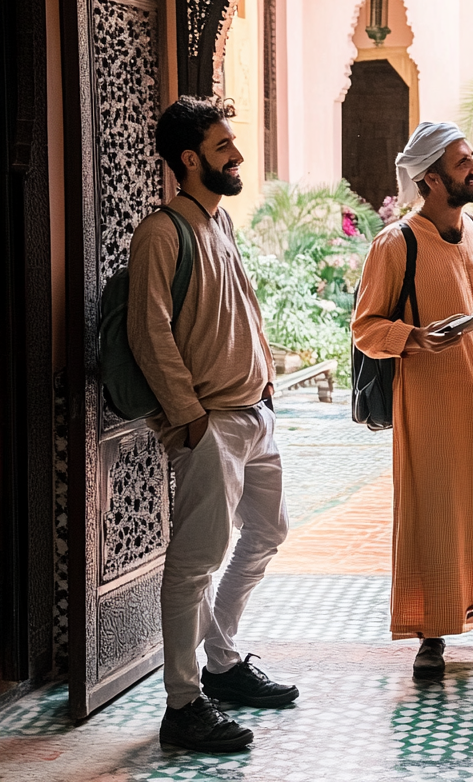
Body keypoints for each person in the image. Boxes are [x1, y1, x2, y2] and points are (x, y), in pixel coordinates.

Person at [128, 97, 297, 754]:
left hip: (253, 416)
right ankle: (183, 703)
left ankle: (221, 665)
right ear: (191, 158)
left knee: (268, 531)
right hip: (211, 425)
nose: (239, 156)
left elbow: (239, 315)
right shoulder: (163, 232)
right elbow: (149, 335)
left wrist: (267, 388)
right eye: (225, 147)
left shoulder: (218, 224)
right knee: (194, 563)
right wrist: (191, 419)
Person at [352, 120, 473, 680]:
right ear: (431, 180)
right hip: (430, 413)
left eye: (471, 158)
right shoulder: (398, 243)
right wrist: (414, 337)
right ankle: (429, 635)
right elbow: (365, 327)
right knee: (433, 516)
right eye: (463, 163)